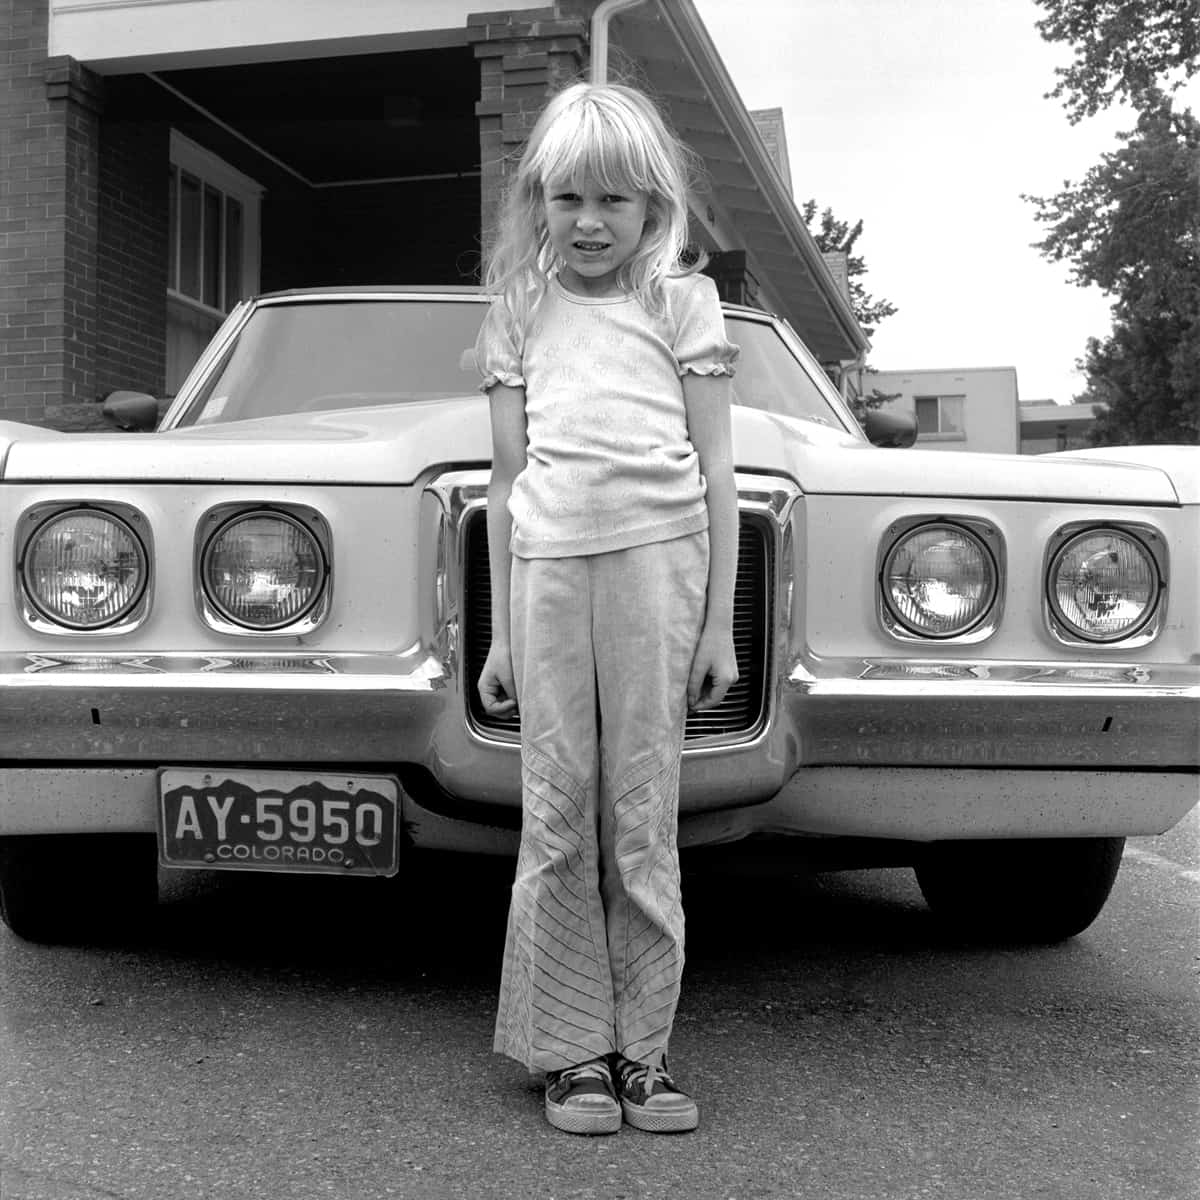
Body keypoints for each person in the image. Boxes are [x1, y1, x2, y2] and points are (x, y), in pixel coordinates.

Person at [474, 80, 739, 1136]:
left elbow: (718, 468)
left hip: (658, 566)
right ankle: (570, 1051)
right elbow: (505, 477)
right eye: (569, 198)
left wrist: (717, 622)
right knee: (554, 809)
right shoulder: (519, 308)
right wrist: (497, 628)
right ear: (538, 201)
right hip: (547, 570)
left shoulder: (681, 302)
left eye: (615, 203)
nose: (590, 222)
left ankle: (645, 1052)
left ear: (653, 211)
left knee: (641, 812)